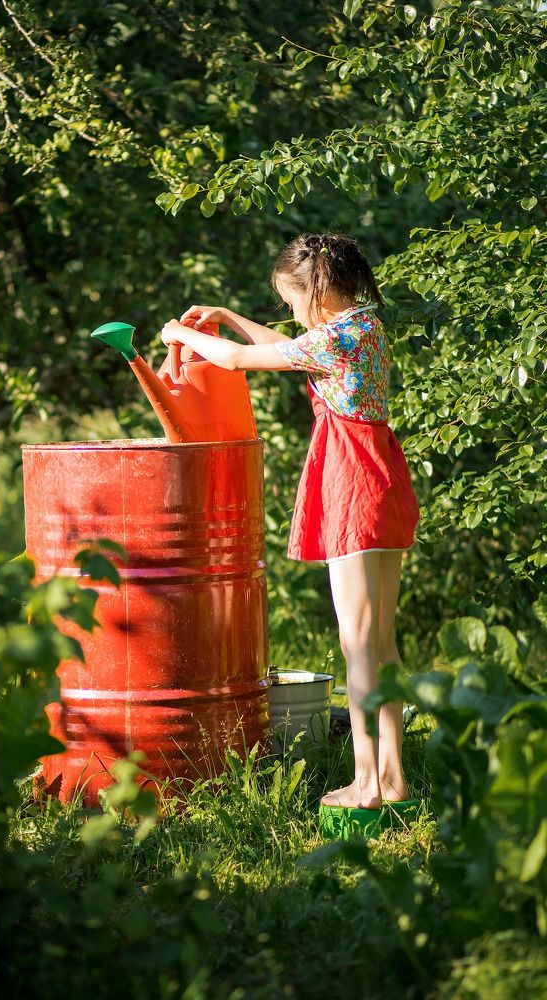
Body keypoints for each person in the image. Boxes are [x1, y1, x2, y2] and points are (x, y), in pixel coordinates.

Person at [160, 232, 420, 811]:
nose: (290, 312)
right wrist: (228, 315)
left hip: (352, 480)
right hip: (379, 475)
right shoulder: (362, 327)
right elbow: (294, 345)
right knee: (380, 641)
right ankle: (393, 778)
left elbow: (234, 360)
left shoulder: (336, 336)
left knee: (357, 643)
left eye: (290, 299)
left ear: (318, 291)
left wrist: (177, 334)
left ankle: (368, 785)